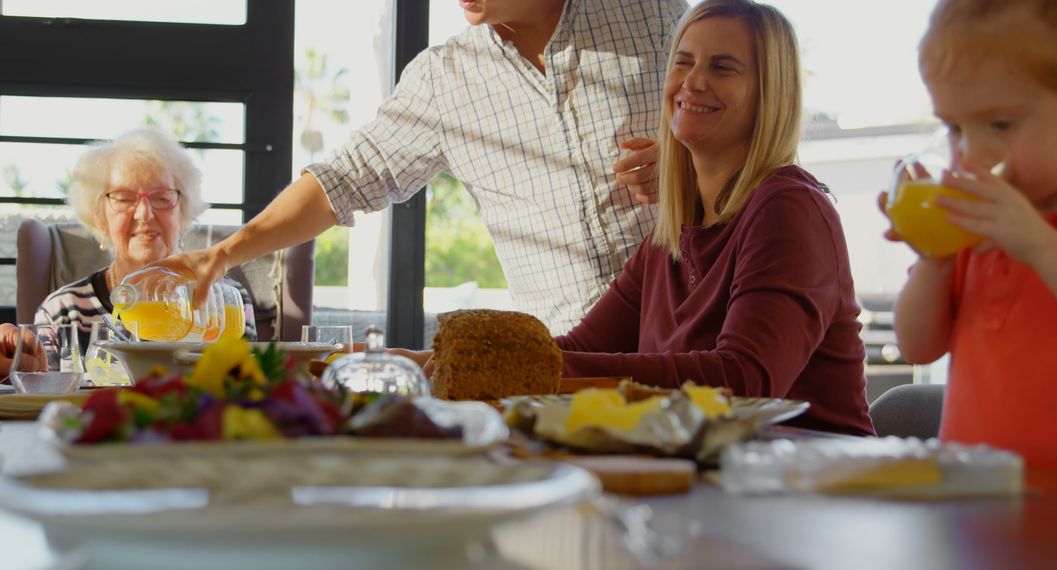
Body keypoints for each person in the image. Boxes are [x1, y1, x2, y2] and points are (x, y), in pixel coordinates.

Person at [402, 0, 874, 436]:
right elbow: (580, 349)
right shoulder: (672, 229)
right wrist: (435, 361)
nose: (693, 82)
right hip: (718, 486)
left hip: (817, 493)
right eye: (683, 62)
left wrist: (523, 369)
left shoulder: (789, 208)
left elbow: (743, 379)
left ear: (770, 94)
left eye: (722, 68)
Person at [158, 0, 687, 336]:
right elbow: (343, 180)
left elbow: (756, 130)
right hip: (568, 358)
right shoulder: (444, 79)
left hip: (693, 329)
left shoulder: (654, 16)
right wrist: (226, 253)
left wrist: (688, 157)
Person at [891, 0, 1057, 471]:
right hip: (973, 509)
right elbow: (917, 346)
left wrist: (1039, 244)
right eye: (954, 127)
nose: (971, 154)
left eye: (1000, 124)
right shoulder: (975, 227)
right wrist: (934, 259)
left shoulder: (1024, 231)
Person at [34, 128, 258, 348]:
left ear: (184, 213)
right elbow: (46, 385)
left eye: (161, 197)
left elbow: (241, 382)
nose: (144, 214)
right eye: (123, 199)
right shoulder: (62, 311)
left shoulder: (225, 301)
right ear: (100, 216)